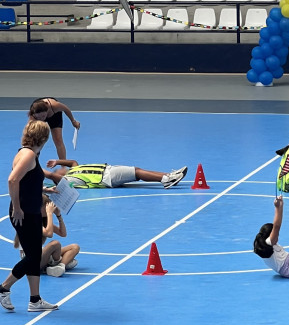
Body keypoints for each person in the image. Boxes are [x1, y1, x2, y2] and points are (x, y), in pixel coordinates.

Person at [0, 120, 59, 312]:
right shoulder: (28, 154)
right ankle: (4, 287)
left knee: (33, 255)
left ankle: (35, 300)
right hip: (23, 213)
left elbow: (26, 181)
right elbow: (12, 180)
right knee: (33, 256)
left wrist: (45, 188)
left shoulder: (28, 153)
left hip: (31, 211)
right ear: (44, 137)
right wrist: (17, 208)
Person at [14, 195, 80, 278]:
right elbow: (49, 234)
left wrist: (58, 215)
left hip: (40, 254)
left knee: (74, 247)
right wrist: (49, 213)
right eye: (46, 207)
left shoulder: (41, 221)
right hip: (31, 260)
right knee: (55, 244)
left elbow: (63, 234)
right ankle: (58, 262)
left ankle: (60, 266)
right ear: (39, 208)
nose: (49, 209)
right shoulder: (30, 220)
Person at [44, 159, 187, 189]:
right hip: (106, 177)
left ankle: (168, 175)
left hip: (108, 170)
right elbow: (52, 176)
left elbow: (72, 162)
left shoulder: (74, 169)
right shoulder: (68, 180)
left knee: (136, 170)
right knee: (136, 172)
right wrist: (34, 167)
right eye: (58, 170)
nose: (60, 169)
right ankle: (166, 179)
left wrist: (57, 161)